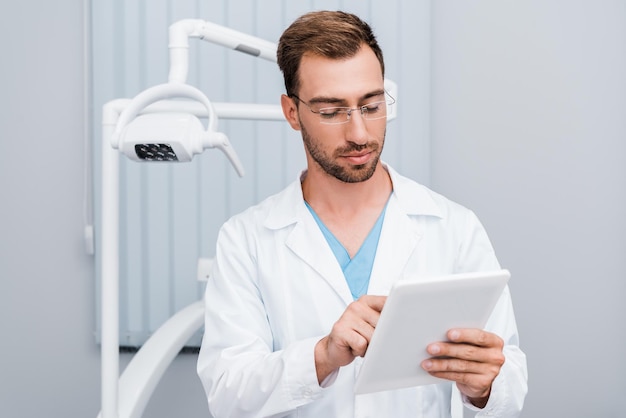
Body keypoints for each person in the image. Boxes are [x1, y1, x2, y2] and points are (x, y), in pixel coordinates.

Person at [197, 10, 528, 418]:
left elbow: (509, 380)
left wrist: (484, 387)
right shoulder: (246, 239)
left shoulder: (454, 228)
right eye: (331, 111)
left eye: (371, 105)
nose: (358, 133)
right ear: (291, 112)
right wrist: (322, 356)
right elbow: (227, 394)